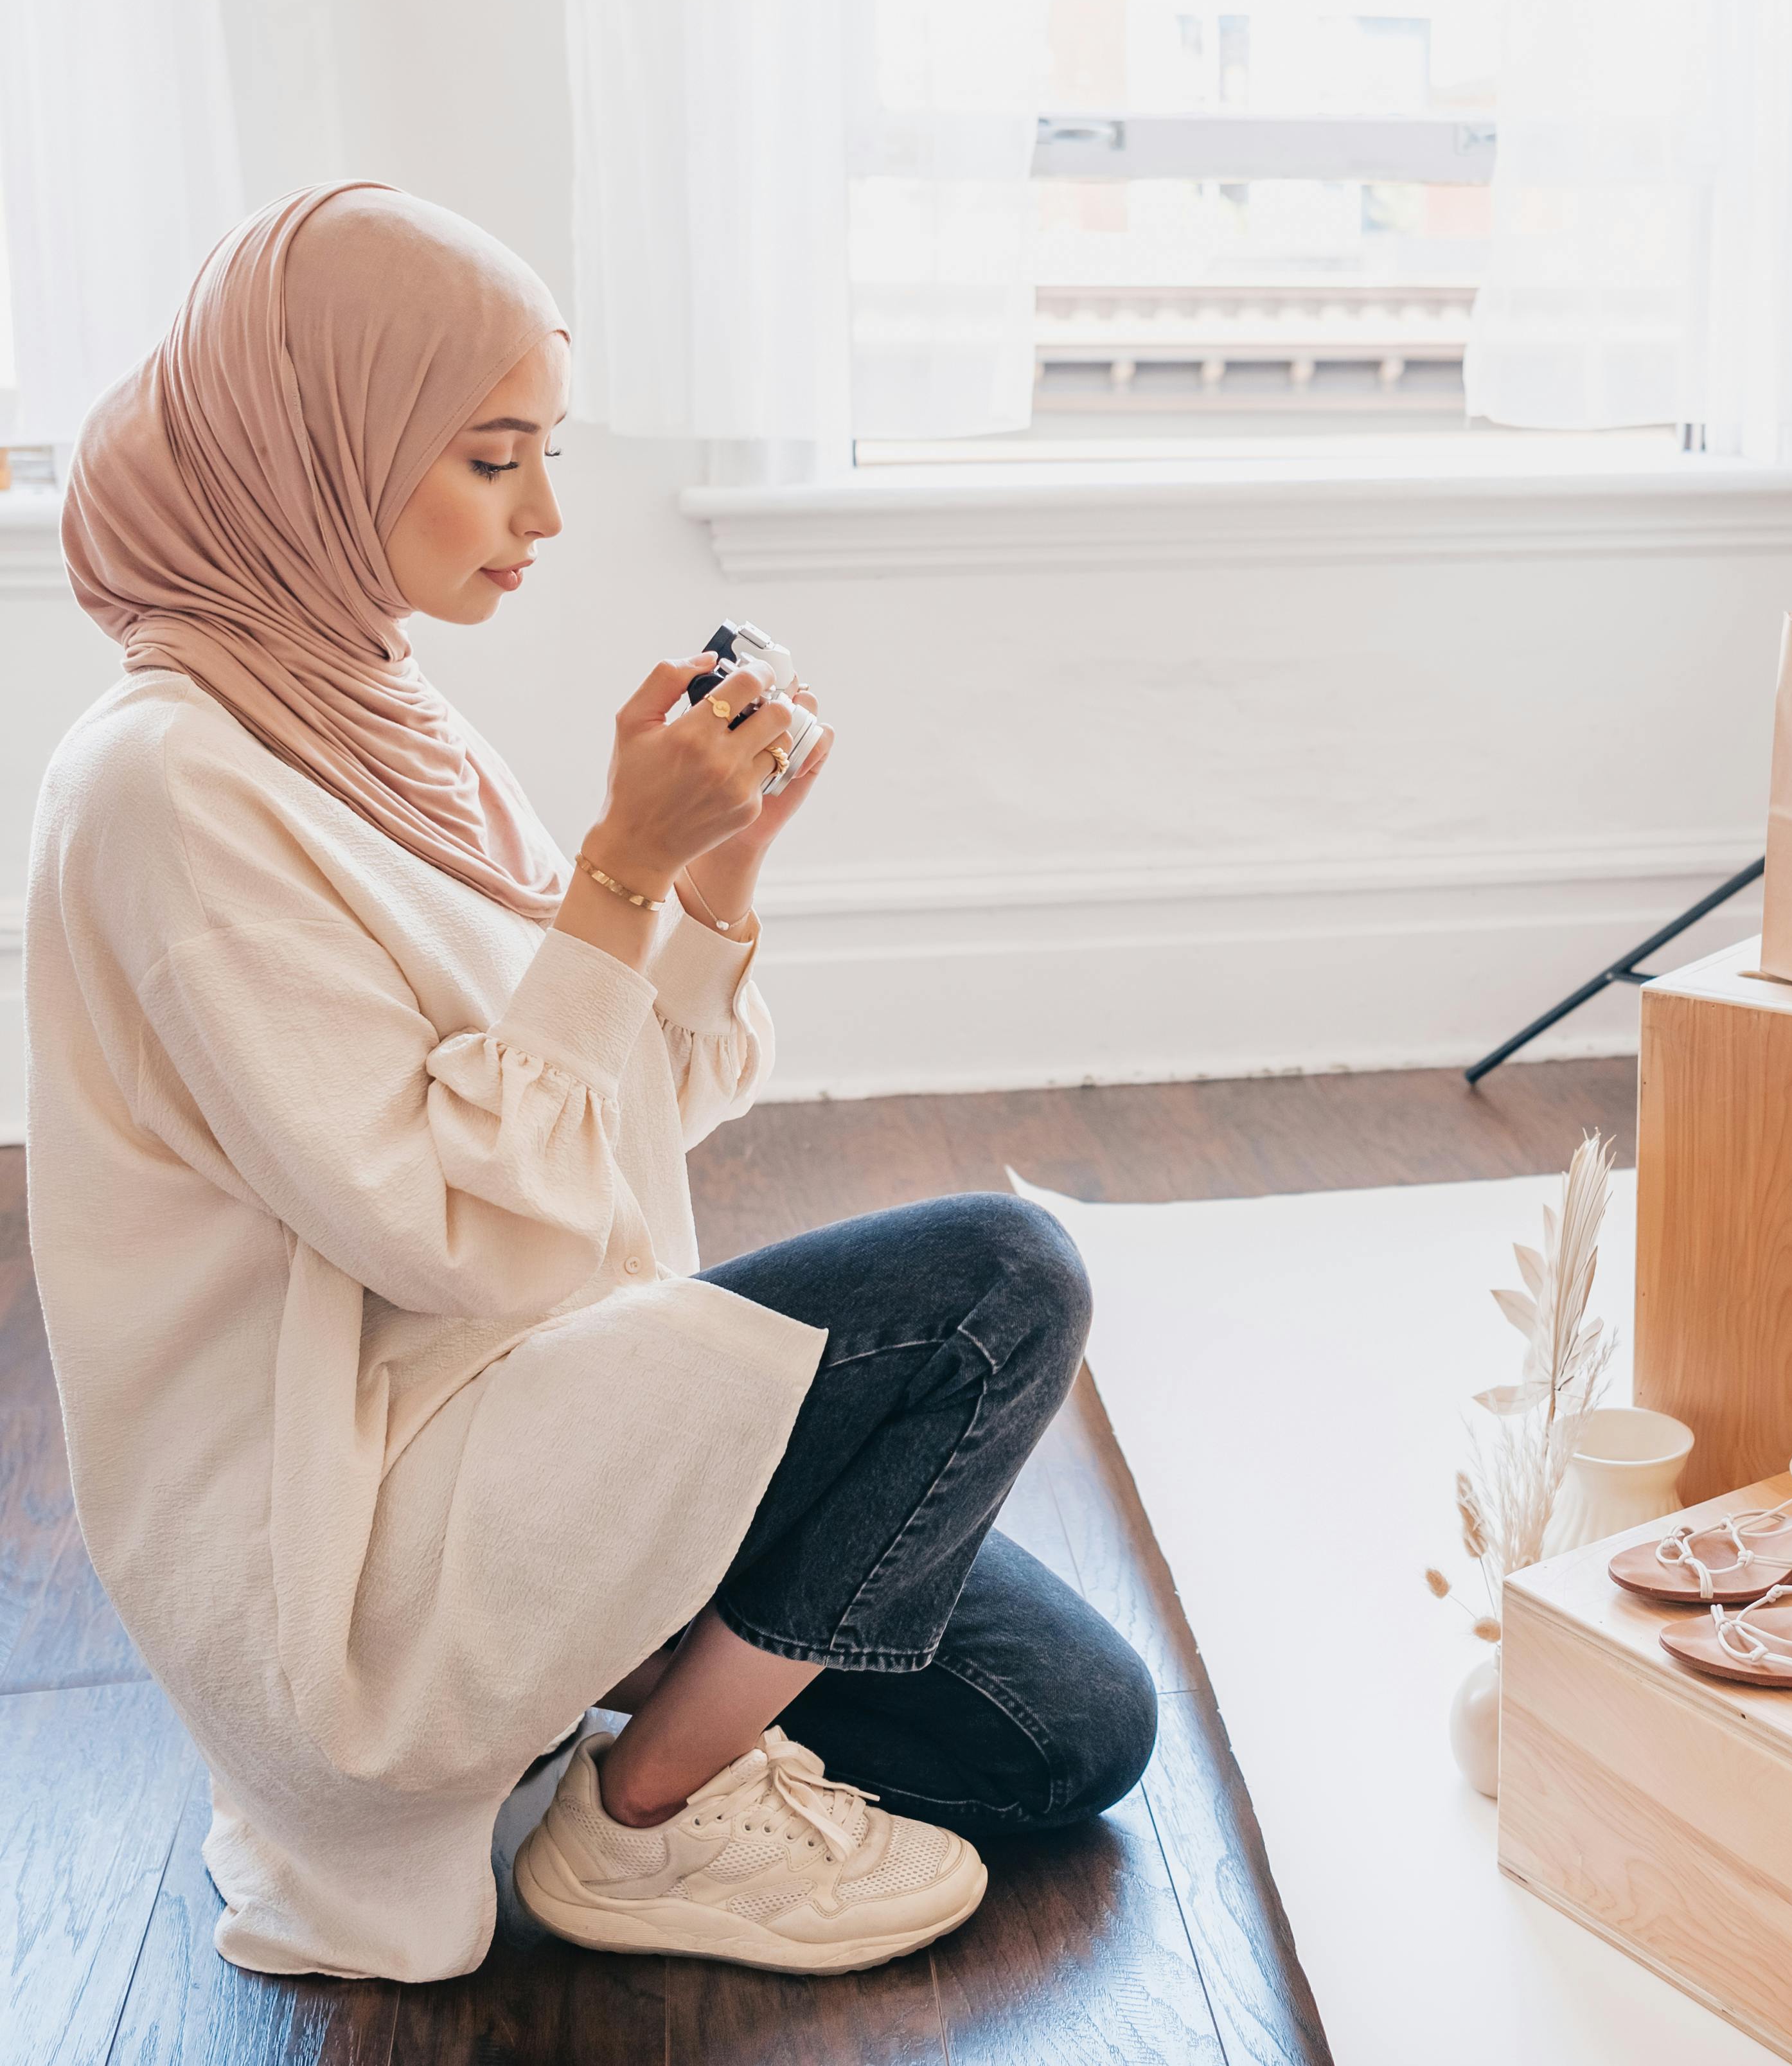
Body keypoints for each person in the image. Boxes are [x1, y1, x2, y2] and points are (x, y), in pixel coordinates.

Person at [21, 182, 1156, 1984]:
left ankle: (627, 1677)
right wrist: (615, 875)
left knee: (1076, 1736)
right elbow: (458, 1227)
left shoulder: (369, 703)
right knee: (1002, 1284)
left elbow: (611, 1115)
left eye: (545, 453)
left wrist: (708, 882)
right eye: (490, 459)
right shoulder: (167, 786)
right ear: (313, 445)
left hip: (526, 1393)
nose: (542, 514)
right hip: (375, 1518)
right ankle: (643, 1823)